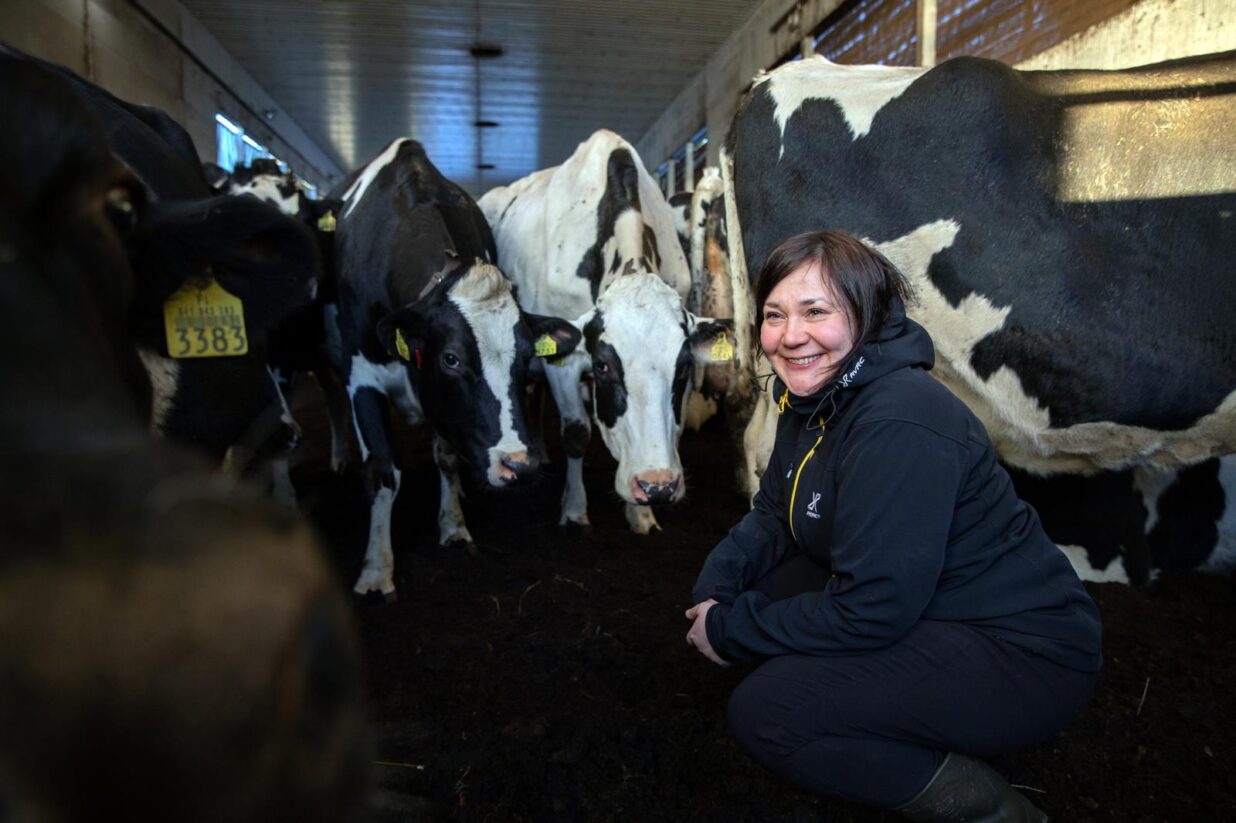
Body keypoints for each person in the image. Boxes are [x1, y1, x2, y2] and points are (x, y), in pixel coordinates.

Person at [685, 229, 1101, 822]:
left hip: (1023, 655)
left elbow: (873, 608)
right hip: (932, 605)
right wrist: (716, 591)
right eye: (774, 315)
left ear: (867, 315)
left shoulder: (899, 419)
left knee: (767, 713)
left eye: (815, 311)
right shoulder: (814, 396)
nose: (790, 335)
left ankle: (992, 809)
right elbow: (776, 511)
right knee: (763, 589)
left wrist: (729, 631)